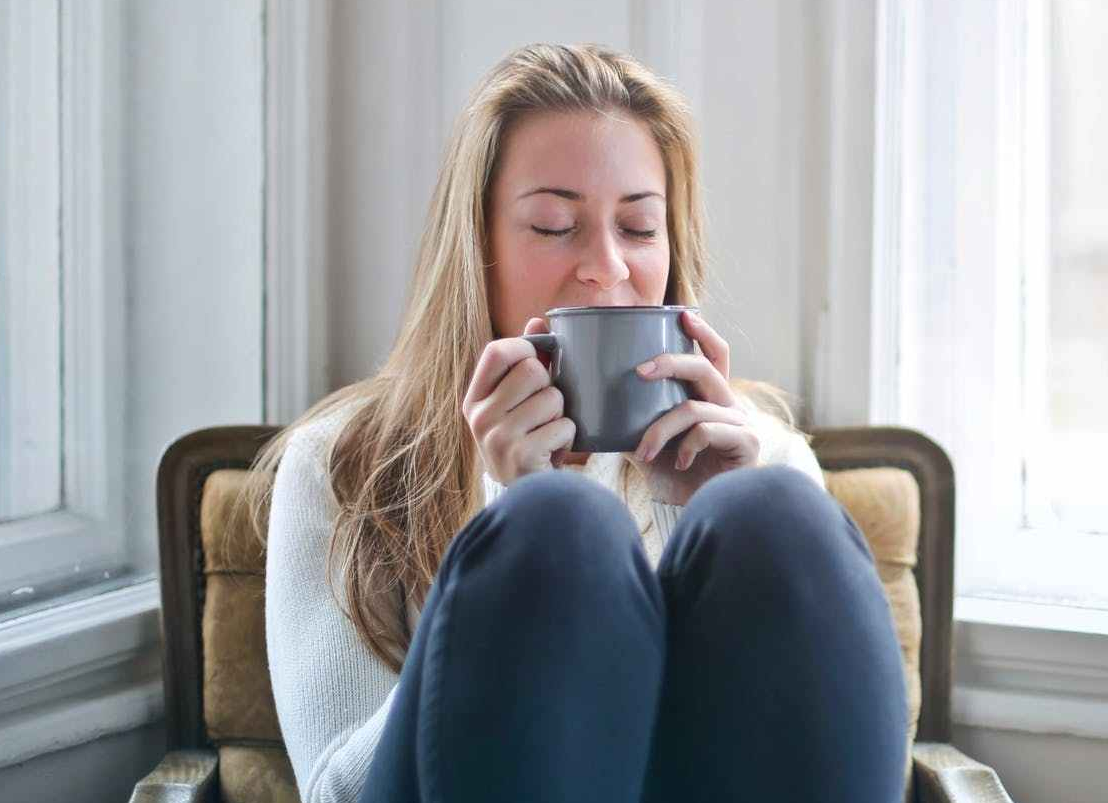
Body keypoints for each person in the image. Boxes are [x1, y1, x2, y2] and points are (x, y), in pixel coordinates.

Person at [245, 43, 908, 803]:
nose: (607, 266)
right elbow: (334, 792)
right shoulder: (341, 462)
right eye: (555, 225)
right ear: (477, 248)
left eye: (639, 227)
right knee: (559, 524)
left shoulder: (761, 452)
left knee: (773, 508)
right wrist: (509, 513)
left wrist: (698, 511)